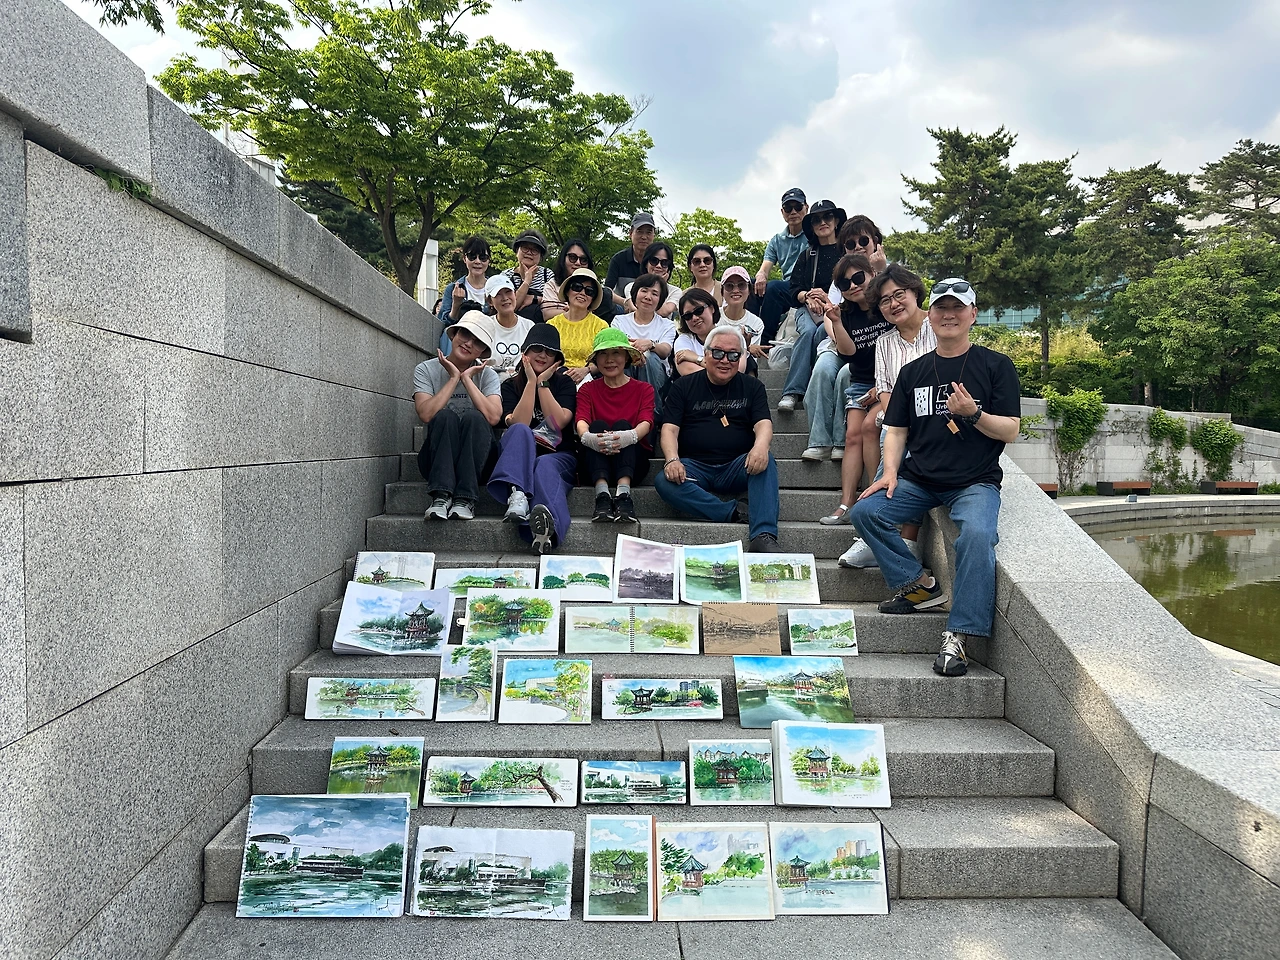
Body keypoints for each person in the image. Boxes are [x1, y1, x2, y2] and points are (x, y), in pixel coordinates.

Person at [849, 278, 1022, 677]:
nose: (949, 315)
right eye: (941, 307)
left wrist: (973, 414)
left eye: (958, 308)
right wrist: (889, 472)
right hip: (920, 478)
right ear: (931, 315)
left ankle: (958, 634)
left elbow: (1011, 430)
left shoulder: (995, 365)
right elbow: (896, 430)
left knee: (977, 535)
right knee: (866, 512)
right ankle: (918, 585)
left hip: (974, 481)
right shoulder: (913, 372)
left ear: (973, 315)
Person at [656, 323, 782, 552]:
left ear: (741, 358)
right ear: (705, 354)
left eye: (733, 355)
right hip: (695, 468)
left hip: (737, 466)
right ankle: (732, 511)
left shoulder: (753, 386)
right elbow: (669, 429)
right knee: (664, 481)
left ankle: (763, 535)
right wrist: (672, 459)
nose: (725, 360)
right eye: (718, 353)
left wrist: (761, 447)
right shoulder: (682, 386)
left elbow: (763, 423)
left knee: (767, 462)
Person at [839, 265, 936, 561]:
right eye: (884, 300)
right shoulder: (885, 342)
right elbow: (885, 393)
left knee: (905, 442)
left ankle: (874, 535)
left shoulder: (939, 326)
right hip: (901, 422)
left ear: (915, 292)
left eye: (899, 294)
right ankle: (905, 540)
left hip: (941, 420)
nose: (893, 304)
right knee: (895, 435)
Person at [486, 325, 579, 555]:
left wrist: (542, 384)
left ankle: (545, 530)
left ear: (557, 359)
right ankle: (517, 494)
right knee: (520, 430)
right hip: (520, 459)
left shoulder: (565, 384)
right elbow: (519, 421)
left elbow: (559, 421)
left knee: (544, 465)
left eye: (550, 352)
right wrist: (529, 383)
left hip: (558, 456)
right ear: (525, 352)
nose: (543, 355)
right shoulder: (510, 386)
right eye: (537, 348)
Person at [805, 252, 890, 493]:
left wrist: (882, 388)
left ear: (872, 275)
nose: (853, 286)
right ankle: (846, 502)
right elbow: (849, 353)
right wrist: (837, 322)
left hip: (890, 381)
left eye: (858, 278)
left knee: (870, 426)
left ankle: (874, 494)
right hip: (862, 382)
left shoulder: (886, 306)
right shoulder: (845, 313)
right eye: (844, 283)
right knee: (852, 435)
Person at [413, 310, 503, 521]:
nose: (469, 344)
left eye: (477, 342)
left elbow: (493, 417)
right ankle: (441, 496)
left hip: (479, 462)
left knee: (474, 417)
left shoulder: (488, 375)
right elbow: (426, 414)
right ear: (453, 334)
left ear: (483, 351)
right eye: (465, 334)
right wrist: (454, 378)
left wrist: (467, 379)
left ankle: (465, 498)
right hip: (437, 459)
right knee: (445, 417)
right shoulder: (425, 369)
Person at [576, 328, 656, 523]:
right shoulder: (587, 389)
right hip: (594, 463)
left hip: (633, 463)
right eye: (603, 354)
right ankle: (602, 495)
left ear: (626, 357)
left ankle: (623, 495)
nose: (609, 359)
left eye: (616, 353)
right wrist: (590, 439)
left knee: (622, 425)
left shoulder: (644, 389)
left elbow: (646, 421)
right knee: (597, 425)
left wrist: (625, 438)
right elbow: (581, 421)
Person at [777, 199, 846, 412]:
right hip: (807, 309)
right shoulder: (808, 255)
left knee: (821, 332)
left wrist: (827, 300)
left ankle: (814, 389)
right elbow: (793, 290)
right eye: (816, 220)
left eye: (828, 217)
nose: (822, 222)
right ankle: (791, 392)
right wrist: (807, 296)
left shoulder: (847, 254)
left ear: (836, 221)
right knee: (808, 332)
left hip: (837, 309)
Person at [754, 187, 810, 351]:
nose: (793, 212)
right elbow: (765, 267)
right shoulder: (777, 240)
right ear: (782, 212)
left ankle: (764, 340)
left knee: (774, 288)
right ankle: (749, 332)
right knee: (749, 286)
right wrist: (761, 275)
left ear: (806, 208)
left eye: (798, 207)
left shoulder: (813, 236)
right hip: (787, 288)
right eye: (788, 208)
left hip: (803, 286)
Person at [611, 272, 677, 408]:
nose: (648, 297)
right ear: (635, 294)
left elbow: (665, 350)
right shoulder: (619, 321)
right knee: (622, 357)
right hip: (627, 369)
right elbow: (614, 347)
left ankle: (651, 411)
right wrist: (636, 353)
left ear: (660, 300)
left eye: (654, 293)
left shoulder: (667, 325)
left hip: (656, 375)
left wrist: (651, 345)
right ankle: (623, 408)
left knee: (650, 357)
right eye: (644, 291)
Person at [548, 268, 609, 382]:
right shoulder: (552, 324)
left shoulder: (601, 326)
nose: (582, 293)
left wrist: (586, 370)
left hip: (588, 379)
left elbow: (605, 359)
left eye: (589, 291)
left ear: (593, 299)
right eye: (577, 287)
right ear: (567, 291)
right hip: (555, 377)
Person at [483, 274, 535, 380]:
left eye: (508, 292)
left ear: (515, 294)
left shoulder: (529, 326)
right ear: (490, 301)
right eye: (498, 294)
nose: (505, 298)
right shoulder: (485, 325)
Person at [502, 229, 559, 322]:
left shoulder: (547, 275)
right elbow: (510, 307)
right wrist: (527, 281)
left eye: (535, 250)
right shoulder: (505, 276)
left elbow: (557, 304)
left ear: (541, 257)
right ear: (516, 251)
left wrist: (534, 299)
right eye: (525, 248)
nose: (529, 253)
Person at [605, 213, 657, 311]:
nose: (644, 237)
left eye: (648, 232)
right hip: (622, 309)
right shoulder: (618, 259)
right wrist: (625, 302)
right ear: (630, 233)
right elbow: (607, 290)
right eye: (639, 232)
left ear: (654, 235)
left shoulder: (658, 262)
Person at [671, 288, 723, 376]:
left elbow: (738, 369)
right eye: (688, 315)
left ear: (712, 308)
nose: (694, 318)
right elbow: (687, 371)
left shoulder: (731, 336)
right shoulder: (683, 340)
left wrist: (696, 359)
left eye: (699, 310)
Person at [623, 242, 680, 317]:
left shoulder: (675, 291)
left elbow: (664, 312)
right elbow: (636, 309)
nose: (659, 266)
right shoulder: (631, 287)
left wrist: (661, 284)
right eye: (654, 261)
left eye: (664, 263)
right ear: (646, 263)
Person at [719, 265, 765, 353]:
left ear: (749, 290)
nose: (736, 290)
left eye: (741, 285)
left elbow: (750, 358)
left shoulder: (756, 323)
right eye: (729, 286)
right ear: (722, 292)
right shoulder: (712, 316)